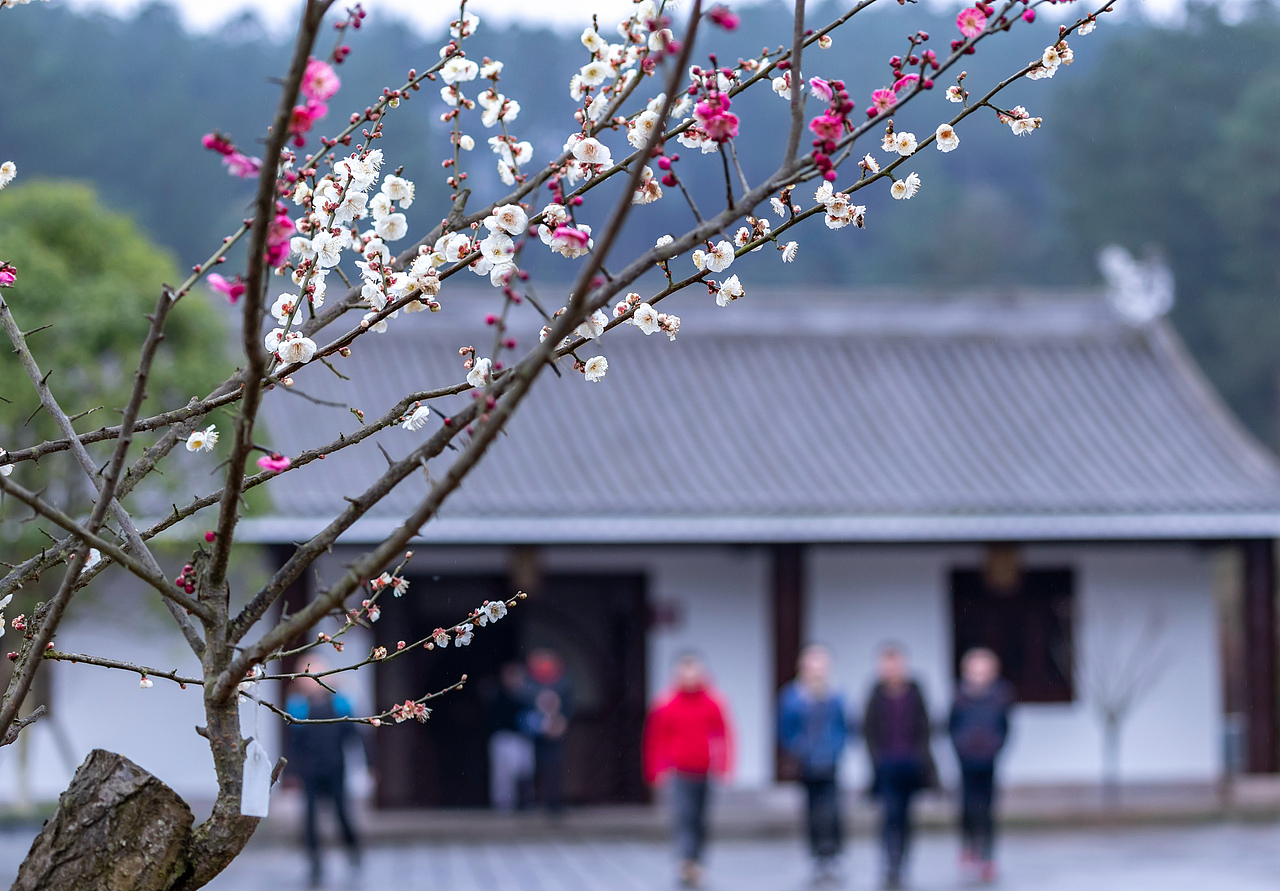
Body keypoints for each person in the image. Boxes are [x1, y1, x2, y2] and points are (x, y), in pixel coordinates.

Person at [643, 653, 735, 890]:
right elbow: (656, 739)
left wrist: (724, 763)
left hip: (704, 769)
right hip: (679, 770)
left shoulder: (713, 702)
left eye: (694, 670)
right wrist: (656, 769)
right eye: (685, 670)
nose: (690, 675)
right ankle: (685, 862)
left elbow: (724, 734)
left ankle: (698, 861)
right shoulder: (666, 704)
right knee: (683, 816)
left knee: (700, 818)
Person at [863, 644, 937, 890]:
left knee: (907, 816)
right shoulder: (875, 694)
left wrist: (922, 757)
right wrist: (875, 759)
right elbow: (869, 729)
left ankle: (903, 860)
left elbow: (925, 726)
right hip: (886, 765)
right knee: (889, 815)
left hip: (910, 764)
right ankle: (890, 861)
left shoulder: (915, 693)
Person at [285, 669, 365, 888]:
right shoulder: (298, 707)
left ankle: (353, 851)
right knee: (309, 819)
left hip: (335, 769)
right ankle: (315, 864)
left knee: (342, 814)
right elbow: (293, 743)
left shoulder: (340, 704)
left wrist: (368, 764)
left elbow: (355, 736)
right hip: (309, 772)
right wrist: (290, 773)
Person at [778, 643, 848, 885]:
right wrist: (798, 748)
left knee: (833, 811)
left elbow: (844, 727)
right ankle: (816, 855)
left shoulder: (836, 695)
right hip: (806, 763)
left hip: (830, 760)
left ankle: (833, 853)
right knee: (811, 811)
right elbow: (785, 729)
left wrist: (836, 749)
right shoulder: (793, 697)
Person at [949, 648, 1015, 884]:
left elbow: (1006, 727)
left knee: (987, 810)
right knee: (967, 806)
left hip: (988, 761)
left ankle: (987, 856)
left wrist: (995, 749)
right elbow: (951, 726)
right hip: (966, 760)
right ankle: (968, 847)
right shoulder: (960, 696)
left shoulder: (1001, 696)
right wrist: (961, 748)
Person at [523, 648, 574, 814]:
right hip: (534, 735)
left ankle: (553, 803)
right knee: (531, 768)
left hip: (556, 732)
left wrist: (562, 721)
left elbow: (568, 705)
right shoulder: (529, 684)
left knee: (554, 768)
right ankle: (531, 802)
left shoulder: (563, 684)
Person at [485, 661, 535, 811]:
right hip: (503, 738)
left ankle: (525, 804)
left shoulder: (526, 696)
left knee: (524, 772)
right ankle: (503, 806)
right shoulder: (497, 696)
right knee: (503, 776)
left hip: (522, 739)